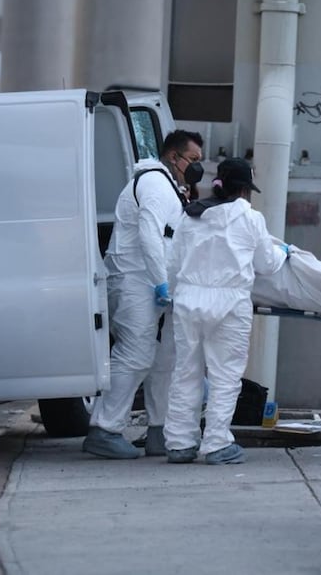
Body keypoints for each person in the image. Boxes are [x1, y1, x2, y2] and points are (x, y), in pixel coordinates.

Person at [82, 130, 204, 459]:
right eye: (192, 160)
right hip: (137, 281)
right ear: (173, 157)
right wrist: (161, 281)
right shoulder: (153, 183)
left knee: (165, 359)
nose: (196, 168)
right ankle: (104, 430)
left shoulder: (173, 190)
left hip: (155, 283)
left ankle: (160, 430)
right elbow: (150, 234)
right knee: (135, 355)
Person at [164, 158, 287, 465]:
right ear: (245, 189)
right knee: (225, 375)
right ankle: (216, 443)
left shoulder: (191, 215)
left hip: (188, 300)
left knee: (186, 372)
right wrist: (282, 252)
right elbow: (266, 265)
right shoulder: (250, 218)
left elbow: (173, 264)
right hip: (230, 304)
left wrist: (173, 293)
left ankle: (179, 443)